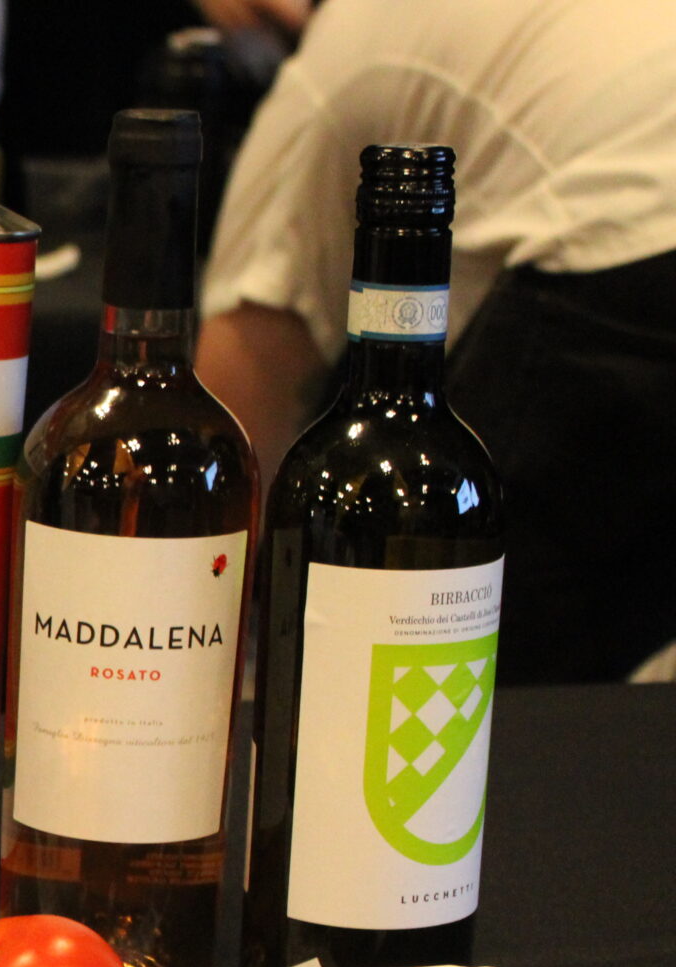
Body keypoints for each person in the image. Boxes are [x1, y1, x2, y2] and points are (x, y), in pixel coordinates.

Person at [196, 0, 676, 683]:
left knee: (442, 646)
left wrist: (212, 655)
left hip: (624, 255)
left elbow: (240, 403)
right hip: (629, 220)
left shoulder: (335, 62)